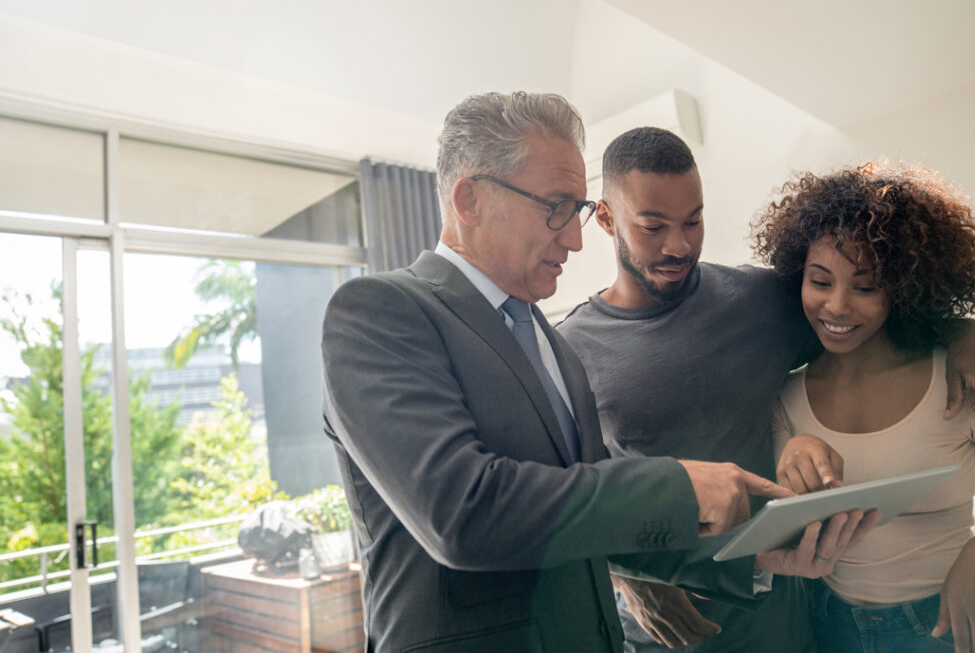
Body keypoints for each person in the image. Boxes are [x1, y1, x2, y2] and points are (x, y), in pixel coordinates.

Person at [321, 93, 874, 653]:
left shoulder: (549, 343)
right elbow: (463, 514)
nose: (576, 237)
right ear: (471, 199)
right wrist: (678, 486)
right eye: (556, 207)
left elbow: (579, 527)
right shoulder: (378, 310)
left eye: (579, 210)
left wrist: (746, 555)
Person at [556, 128, 975, 652]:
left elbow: (873, 314)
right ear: (605, 218)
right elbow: (562, 501)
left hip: (791, 616)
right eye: (652, 226)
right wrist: (628, 576)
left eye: (694, 220)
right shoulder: (567, 351)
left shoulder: (761, 298)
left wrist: (969, 331)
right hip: (669, 626)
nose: (679, 245)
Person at [754, 161, 975, 653]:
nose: (836, 306)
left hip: (953, 625)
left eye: (865, 286)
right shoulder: (782, 397)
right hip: (825, 627)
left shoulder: (965, 378)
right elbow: (778, 531)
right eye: (820, 281)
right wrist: (790, 454)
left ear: (904, 289)